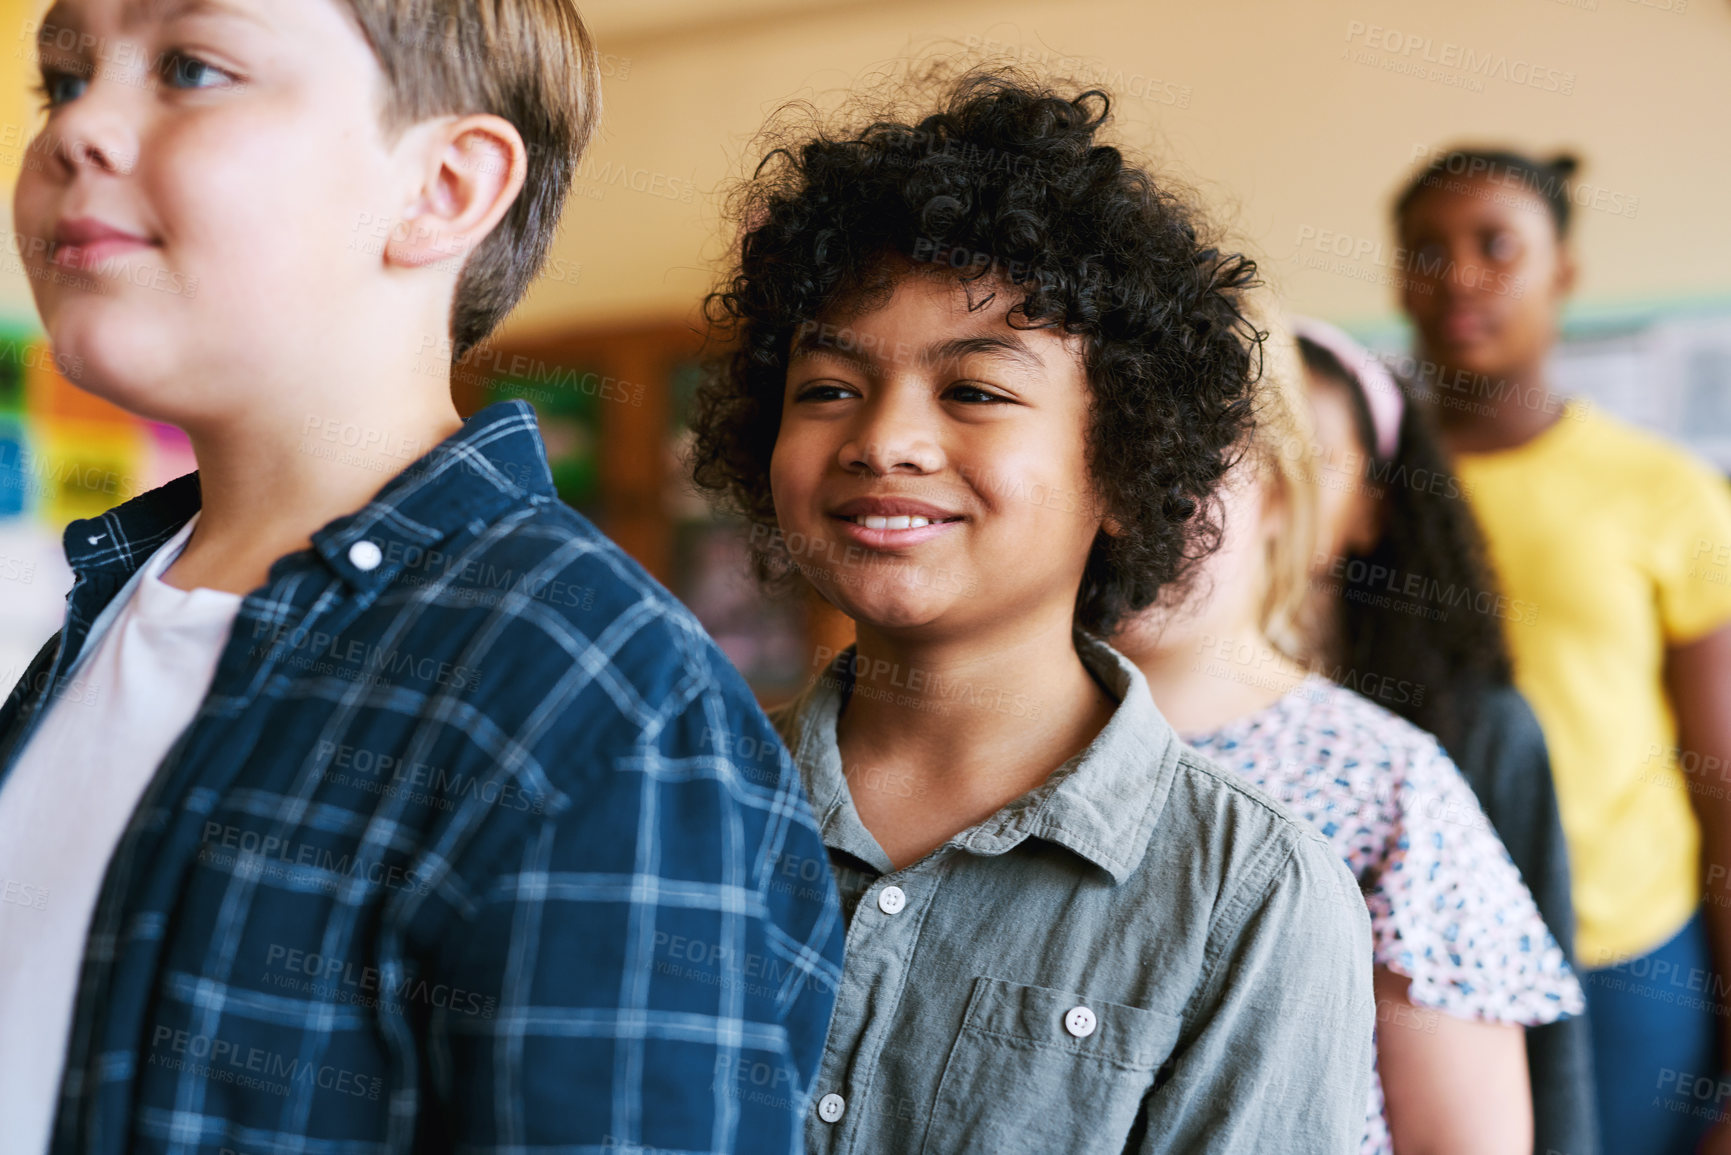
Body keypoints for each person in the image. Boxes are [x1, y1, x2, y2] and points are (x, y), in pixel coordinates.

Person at [0, 2, 842, 1152]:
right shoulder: (96, 621)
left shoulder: (596, 700)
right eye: (64, 80)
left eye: (192, 68)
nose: (76, 127)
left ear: (442, 188)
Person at [687, 68, 1377, 1154]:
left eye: (975, 391)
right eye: (827, 387)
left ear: (1122, 465)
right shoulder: (674, 808)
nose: (884, 441)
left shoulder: (1250, 896)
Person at [1112, 317, 1584, 1155]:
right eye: (1113, 467)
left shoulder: (1389, 781)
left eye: (1193, 474)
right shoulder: (1001, 738)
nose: (1144, 513)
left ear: (1283, 497)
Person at [1395, 146, 1731, 1155]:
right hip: (1422, 952)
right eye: (1426, 250)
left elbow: (1721, 779)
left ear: (1564, 272)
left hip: (1629, 956)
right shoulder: (1360, 501)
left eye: (1497, 245)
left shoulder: (1662, 490)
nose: (1459, 275)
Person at [1293, 316, 1598, 1155]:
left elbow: (1538, 1035)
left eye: (1304, 457)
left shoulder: (1470, 734)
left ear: (1372, 507)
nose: (1256, 487)